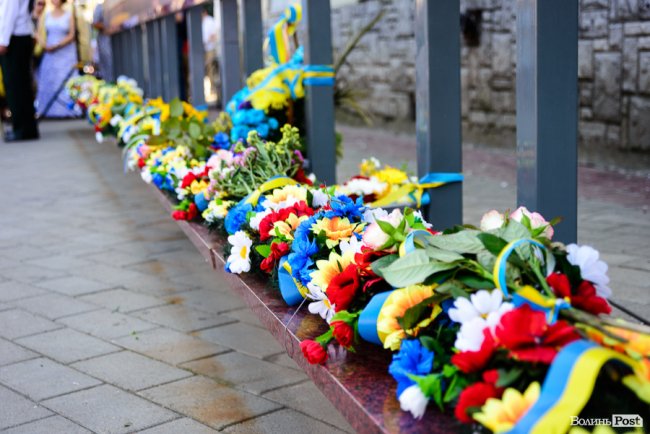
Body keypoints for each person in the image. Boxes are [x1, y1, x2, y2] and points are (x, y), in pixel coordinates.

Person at [0, 0, 40, 141]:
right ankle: (28, 128)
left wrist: (3, 41)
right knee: (23, 85)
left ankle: (21, 129)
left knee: (14, 86)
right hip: (21, 36)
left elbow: (8, 14)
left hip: (14, 38)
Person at [35, 0, 80, 118]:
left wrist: (58, 45)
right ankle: (48, 110)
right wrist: (45, 45)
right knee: (50, 78)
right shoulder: (46, 15)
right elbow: (39, 33)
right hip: (50, 51)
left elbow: (71, 34)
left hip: (64, 52)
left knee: (65, 80)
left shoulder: (69, 15)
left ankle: (69, 109)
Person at [202, 6, 219, 104]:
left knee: (211, 70)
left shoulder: (210, 21)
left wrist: (208, 41)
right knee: (207, 71)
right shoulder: (202, 22)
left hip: (210, 48)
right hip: (204, 49)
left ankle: (213, 91)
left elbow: (214, 34)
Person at [92, 1, 113, 82]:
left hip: (119, 41)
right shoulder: (101, 6)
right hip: (105, 42)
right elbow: (95, 23)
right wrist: (107, 27)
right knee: (107, 67)